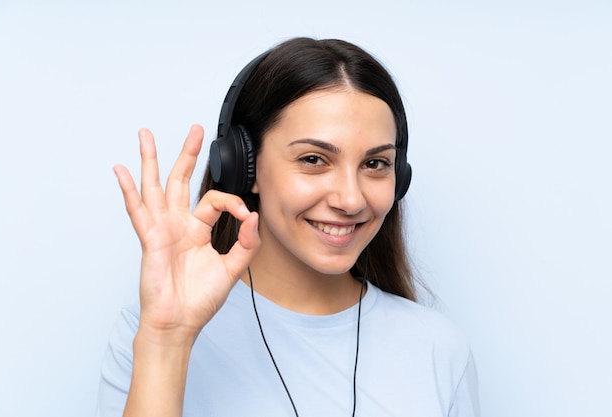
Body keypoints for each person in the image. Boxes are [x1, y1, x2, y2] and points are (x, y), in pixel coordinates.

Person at [97, 37, 479, 417]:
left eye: (375, 164)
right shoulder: (150, 331)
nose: (351, 200)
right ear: (244, 167)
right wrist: (167, 342)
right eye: (314, 159)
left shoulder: (437, 349)